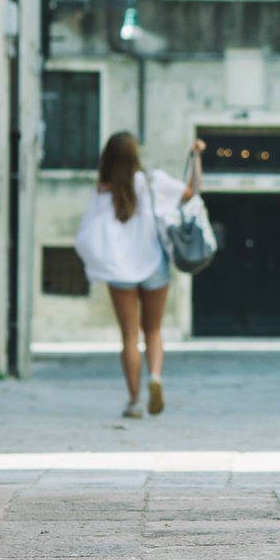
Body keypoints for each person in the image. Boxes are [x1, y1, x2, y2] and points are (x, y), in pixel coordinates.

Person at [73, 133, 206, 419]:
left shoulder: (103, 189)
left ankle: (134, 401)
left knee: (129, 337)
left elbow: (88, 230)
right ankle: (155, 377)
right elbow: (192, 191)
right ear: (136, 155)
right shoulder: (152, 181)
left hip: (119, 269)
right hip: (153, 265)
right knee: (154, 331)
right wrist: (196, 156)